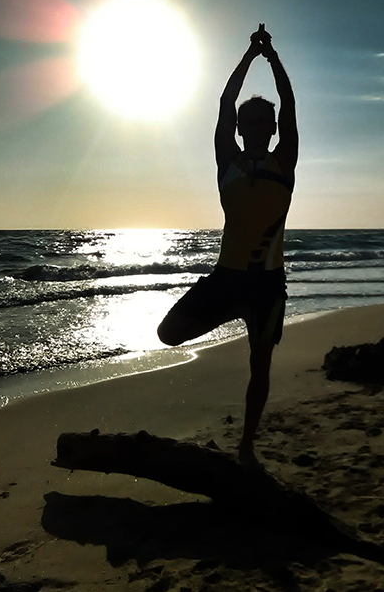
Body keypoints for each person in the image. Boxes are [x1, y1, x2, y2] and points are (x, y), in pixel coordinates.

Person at [157, 24, 298, 468]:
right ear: (239, 128)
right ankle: (231, 312)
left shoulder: (284, 160)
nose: (256, 128)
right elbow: (222, 103)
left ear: (273, 128)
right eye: (248, 122)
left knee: (261, 365)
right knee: (169, 333)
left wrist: (272, 58)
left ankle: (247, 448)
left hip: (268, 285)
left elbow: (291, 103)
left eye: (264, 122)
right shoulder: (229, 161)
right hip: (226, 279)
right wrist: (248, 56)